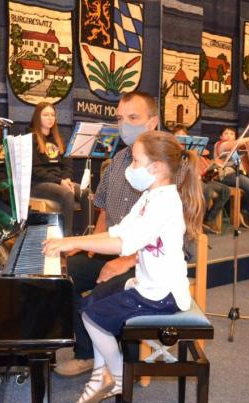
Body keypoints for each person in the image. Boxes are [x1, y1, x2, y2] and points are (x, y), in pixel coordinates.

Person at [42, 130, 204, 403]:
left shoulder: (165, 202)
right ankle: (100, 373)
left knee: (92, 318)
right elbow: (118, 231)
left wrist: (70, 241)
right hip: (148, 284)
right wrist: (75, 243)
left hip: (162, 294)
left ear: (155, 167)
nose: (130, 169)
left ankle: (116, 376)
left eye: (135, 161)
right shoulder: (149, 196)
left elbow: (123, 244)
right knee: (93, 302)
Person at [55, 91, 159, 377]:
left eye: (133, 118)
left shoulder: (171, 164)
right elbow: (103, 210)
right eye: (120, 118)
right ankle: (86, 349)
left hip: (151, 259)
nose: (125, 125)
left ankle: (111, 360)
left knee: (100, 294)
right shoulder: (116, 163)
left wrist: (128, 261)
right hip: (114, 247)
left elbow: (174, 231)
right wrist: (92, 246)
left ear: (152, 123)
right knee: (62, 275)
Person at [29, 102, 89, 235]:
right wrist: (60, 181)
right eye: (45, 115)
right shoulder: (31, 138)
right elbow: (35, 170)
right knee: (67, 194)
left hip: (59, 181)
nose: (50, 118)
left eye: (52, 115)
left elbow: (67, 164)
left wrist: (66, 178)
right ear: (37, 117)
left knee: (86, 193)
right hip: (38, 183)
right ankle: (65, 239)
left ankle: (86, 236)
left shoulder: (58, 138)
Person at [172, 125, 230, 234]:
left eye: (184, 135)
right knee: (206, 190)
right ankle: (197, 222)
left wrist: (211, 167)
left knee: (225, 190)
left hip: (200, 179)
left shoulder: (193, 149)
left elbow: (206, 153)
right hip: (185, 181)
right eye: (178, 135)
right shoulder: (172, 150)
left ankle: (208, 219)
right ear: (173, 137)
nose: (182, 137)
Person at [213, 127, 249, 228]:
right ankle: (244, 211)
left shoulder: (237, 148)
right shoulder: (220, 145)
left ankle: (246, 211)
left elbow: (240, 164)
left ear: (235, 136)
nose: (229, 136)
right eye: (226, 133)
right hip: (226, 175)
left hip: (240, 174)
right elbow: (232, 145)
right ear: (221, 137)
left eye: (232, 134)